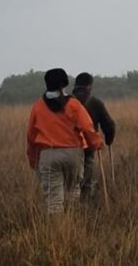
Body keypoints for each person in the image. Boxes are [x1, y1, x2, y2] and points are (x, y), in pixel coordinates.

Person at [26, 68, 104, 214]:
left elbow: (31, 136)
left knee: (54, 202)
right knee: (73, 193)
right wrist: (96, 143)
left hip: (48, 155)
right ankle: (74, 227)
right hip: (73, 154)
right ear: (64, 85)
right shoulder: (74, 105)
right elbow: (87, 127)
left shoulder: (38, 107)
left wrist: (33, 159)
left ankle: (56, 232)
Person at [72, 72, 118, 203]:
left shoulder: (67, 102)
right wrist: (109, 140)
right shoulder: (95, 103)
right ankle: (85, 212)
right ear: (89, 86)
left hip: (67, 147)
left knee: (70, 184)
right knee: (87, 182)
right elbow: (109, 125)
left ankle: (70, 213)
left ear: (75, 85)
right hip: (88, 148)